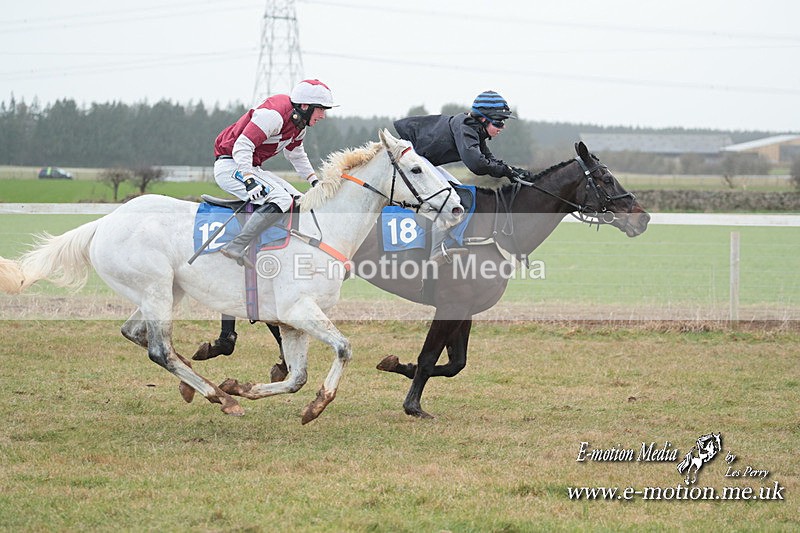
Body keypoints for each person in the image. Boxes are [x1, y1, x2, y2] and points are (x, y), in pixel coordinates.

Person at [198, 79, 336, 360]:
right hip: (231, 164)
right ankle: (237, 246)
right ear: (306, 106)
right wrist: (248, 179)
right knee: (282, 200)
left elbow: (296, 154)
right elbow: (241, 148)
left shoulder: (298, 124)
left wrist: (313, 182)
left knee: (297, 200)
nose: (323, 116)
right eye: (321, 110)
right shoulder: (273, 114)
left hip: (249, 165)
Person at [394, 90, 527, 264]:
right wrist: (505, 171)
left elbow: (488, 157)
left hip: (423, 160)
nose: (503, 127)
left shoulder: (475, 128)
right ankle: (434, 255)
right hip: (412, 158)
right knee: (451, 200)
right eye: (499, 122)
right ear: (483, 119)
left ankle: (446, 243)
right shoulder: (466, 127)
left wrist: (512, 171)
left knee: (460, 196)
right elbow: (477, 164)